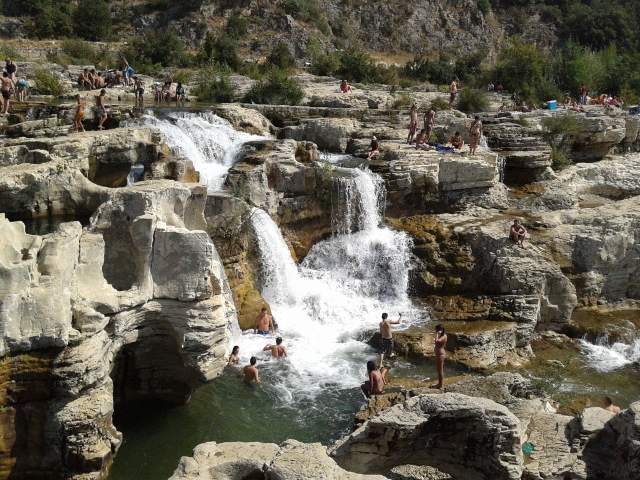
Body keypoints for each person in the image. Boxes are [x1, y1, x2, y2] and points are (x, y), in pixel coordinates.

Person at [432, 324, 447, 389]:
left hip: (440, 355)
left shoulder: (444, 336)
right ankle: (439, 383)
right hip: (439, 354)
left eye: (436, 330)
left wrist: (437, 334)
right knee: (438, 370)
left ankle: (440, 385)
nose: (435, 331)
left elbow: (437, 341)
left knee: (440, 370)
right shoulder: (441, 335)